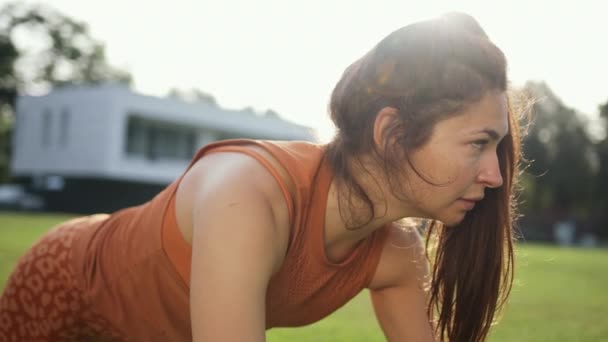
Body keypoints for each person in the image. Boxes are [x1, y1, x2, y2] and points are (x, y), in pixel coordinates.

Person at [0, 12, 522, 342]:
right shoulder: (248, 200)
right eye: (478, 143)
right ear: (391, 132)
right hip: (67, 289)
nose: (496, 175)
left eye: (497, 147)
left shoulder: (395, 256)